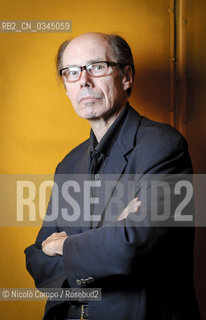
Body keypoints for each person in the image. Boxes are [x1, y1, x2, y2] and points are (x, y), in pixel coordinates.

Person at [25, 32, 200, 320]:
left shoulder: (164, 146)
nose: (84, 80)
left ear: (126, 76)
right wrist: (109, 234)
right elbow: (37, 261)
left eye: (97, 67)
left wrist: (63, 245)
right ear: (67, 87)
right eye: (71, 72)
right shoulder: (68, 164)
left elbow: (131, 246)